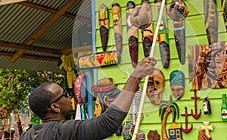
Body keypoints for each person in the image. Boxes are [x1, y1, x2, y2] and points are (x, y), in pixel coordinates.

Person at [20, 57, 156, 140]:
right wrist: (135, 77)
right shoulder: (62, 131)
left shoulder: (26, 136)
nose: (70, 95)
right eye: (65, 93)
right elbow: (107, 123)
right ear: (55, 107)